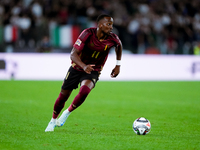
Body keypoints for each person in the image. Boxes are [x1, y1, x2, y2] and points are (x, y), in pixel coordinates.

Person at [45, 14, 122, 132]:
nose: (111, 27)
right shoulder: (87, 34)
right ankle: (53, 120)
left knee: (85, 90)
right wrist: (84, 66)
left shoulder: (113, 38)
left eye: (112, 24)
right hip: (77, 68)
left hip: (94, 70)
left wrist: (118, 65)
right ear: (100, 25)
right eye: (108, 24)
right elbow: (73, 54)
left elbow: (119, 46)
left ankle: (67, 112)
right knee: (63, 97)